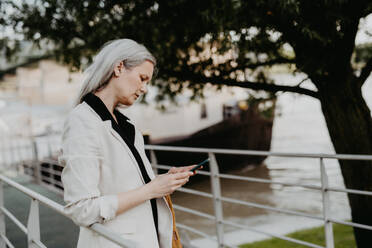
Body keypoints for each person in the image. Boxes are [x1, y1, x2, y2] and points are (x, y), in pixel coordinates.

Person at [58, 39, 197, 248]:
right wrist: (152, 189)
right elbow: (81, 209)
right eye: (142, 78)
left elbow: (126, 184)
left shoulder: (127, 125)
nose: (144, 89)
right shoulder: (82, 121)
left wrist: (163, 181)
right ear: (119, 67)